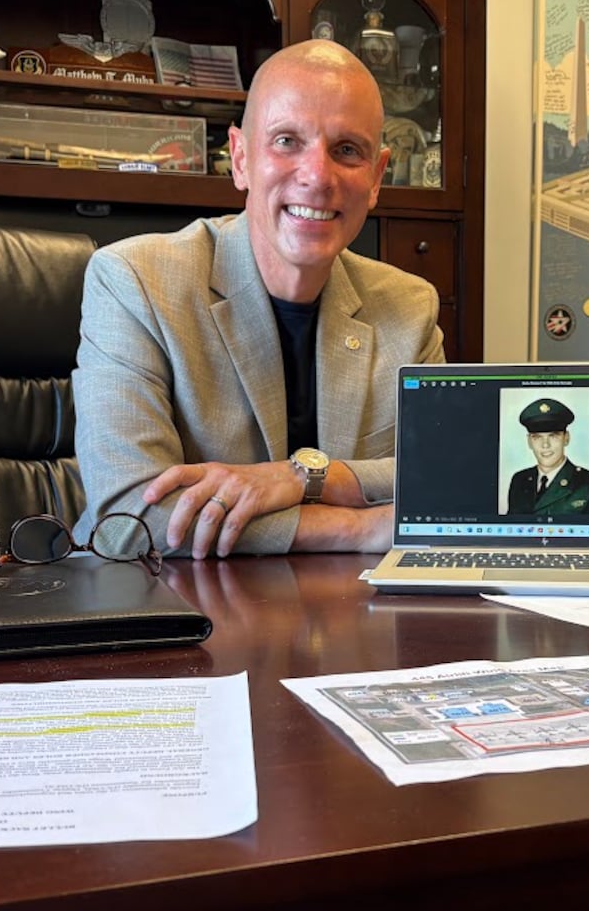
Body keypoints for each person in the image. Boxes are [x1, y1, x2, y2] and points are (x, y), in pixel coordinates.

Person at [71, 40, 443, 559]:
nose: (317, 176)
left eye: (347, 150)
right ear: (241, 159)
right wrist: (357, 528)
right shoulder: (134, 281)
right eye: (287, 141)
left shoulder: (410, 307)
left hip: (346, 602)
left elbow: (442, 480)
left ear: (377, 178)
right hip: (167, 598)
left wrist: (303, 478)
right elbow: (127, 520)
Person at [505, 398, 589, 515]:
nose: (545, 445)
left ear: (566, 438)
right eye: (537, 437)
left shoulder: (587, 482)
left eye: (553, 436)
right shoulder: (519, 480)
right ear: (529, 442)